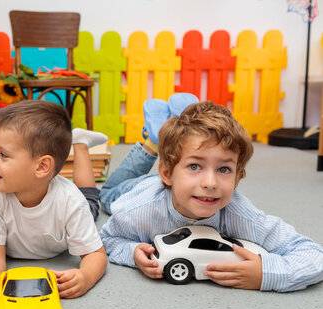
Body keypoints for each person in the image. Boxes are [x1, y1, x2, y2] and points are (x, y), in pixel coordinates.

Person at [100, 95, 323, 292]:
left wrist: (268, 273)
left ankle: (177, 130)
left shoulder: (240, 214)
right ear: (167, 173)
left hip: (175, 183)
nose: (210, 183)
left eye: (224, 169)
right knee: (107, 196)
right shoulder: (139, 209)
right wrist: (132, 253)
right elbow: (107, 238)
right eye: (195, 166)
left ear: (237, 179)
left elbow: (312, 253)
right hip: (139, 188)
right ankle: (152, 141)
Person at [0, 100, 108, 301]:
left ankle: (79, 144)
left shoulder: (71, 201)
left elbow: (96, 255)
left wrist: (86, 276)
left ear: (42, 166)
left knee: (90, 199)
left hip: (75, 203)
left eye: (2, 154)